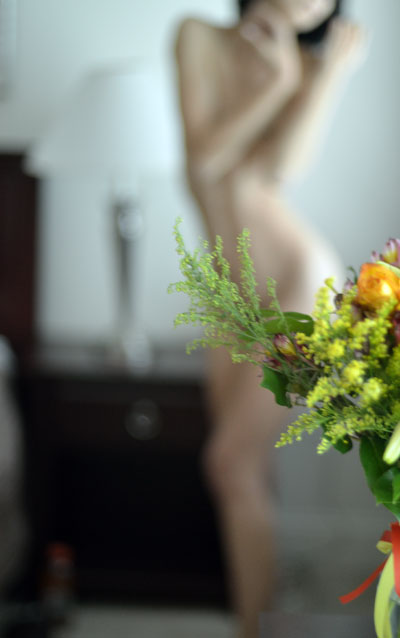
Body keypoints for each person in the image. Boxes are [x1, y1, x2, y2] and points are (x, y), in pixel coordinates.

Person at [174, 2, 365, 636]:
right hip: (232, 290)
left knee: (229, 462)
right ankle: (259, 620)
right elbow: (203, 161)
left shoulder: (314, 61)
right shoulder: (197, 38)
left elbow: (284, 167)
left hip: (296, 279)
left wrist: (321, 76)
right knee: (242, 472)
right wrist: (272, 83)